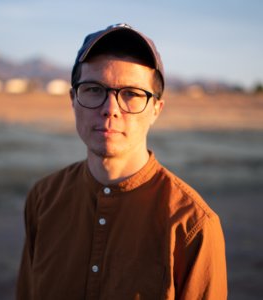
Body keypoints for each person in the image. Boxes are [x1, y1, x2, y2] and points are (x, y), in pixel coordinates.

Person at [16, 23, 227, 300]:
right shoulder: (43, 199)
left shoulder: (192, 225)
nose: (110, 109)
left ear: (156, 109)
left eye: (131, 93)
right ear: (73, 100)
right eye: (93, 89)